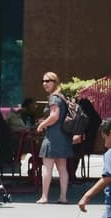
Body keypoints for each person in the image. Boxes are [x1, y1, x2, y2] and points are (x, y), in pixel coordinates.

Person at [35, 71, 74, 204]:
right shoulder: (61, 97)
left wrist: (42, 125)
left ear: (55, 82)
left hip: (52, 137)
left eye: (48, 81)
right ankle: (63, 197)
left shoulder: (54, 98)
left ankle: (44, 196)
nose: (45, 84)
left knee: (47, 166)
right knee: (62, 168)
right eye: (43, 81)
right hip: (63, 136)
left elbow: (54, 116)